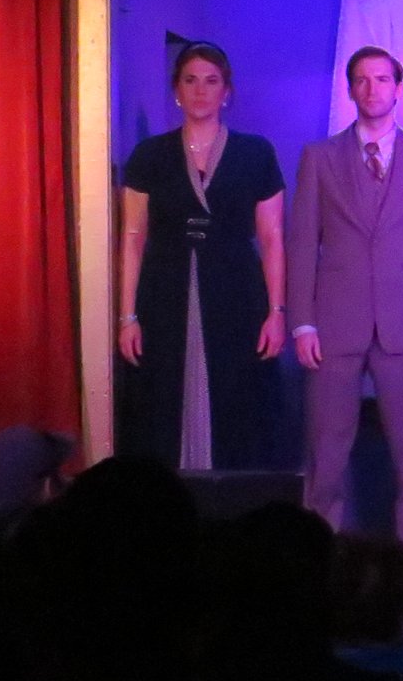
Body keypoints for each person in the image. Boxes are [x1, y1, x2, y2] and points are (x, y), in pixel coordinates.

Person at [287, 45, 403, 589]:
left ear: (398, 87)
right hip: (334, 322)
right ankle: (316, 562)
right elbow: (301, 244)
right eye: (362, 80)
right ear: (350, 88)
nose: (372, 89)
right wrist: (302, 322)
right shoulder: (319, 157)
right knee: (326, 453)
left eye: (382, 79)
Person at [117, 41, 287, 472]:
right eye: (190, 80)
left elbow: (272, 238)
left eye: (211, 81)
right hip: (164, 291)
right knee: (162, 400)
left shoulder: (256, 153)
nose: (200, 91)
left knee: (238, 400)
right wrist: (127, 316)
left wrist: (276, 312)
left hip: (236, 292)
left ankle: (231, 503)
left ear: (226, 91)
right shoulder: (150, 155)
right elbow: (133, 238)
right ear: (176, 90)